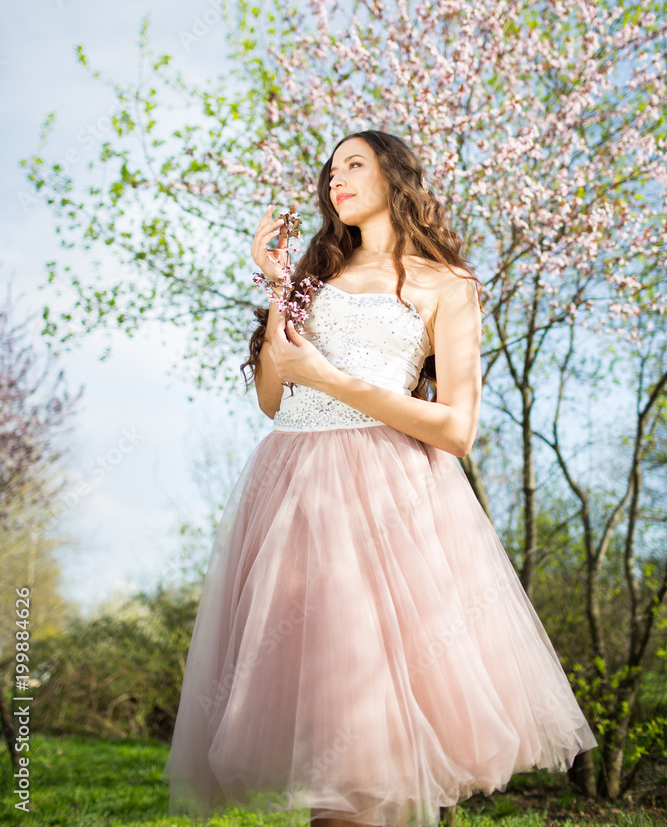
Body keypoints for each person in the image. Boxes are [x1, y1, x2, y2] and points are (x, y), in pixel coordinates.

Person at [161, 130, 597, 827]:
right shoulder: (310, 279)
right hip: (292, 493)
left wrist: (332, 379)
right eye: (330, 170)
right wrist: (278, 286)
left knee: (377, 739)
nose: (336, 179)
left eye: (354, 165)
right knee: (327, 738)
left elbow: (455, 429)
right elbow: (275, 397)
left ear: (395, 177)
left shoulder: (445, 286)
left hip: (387, 500)